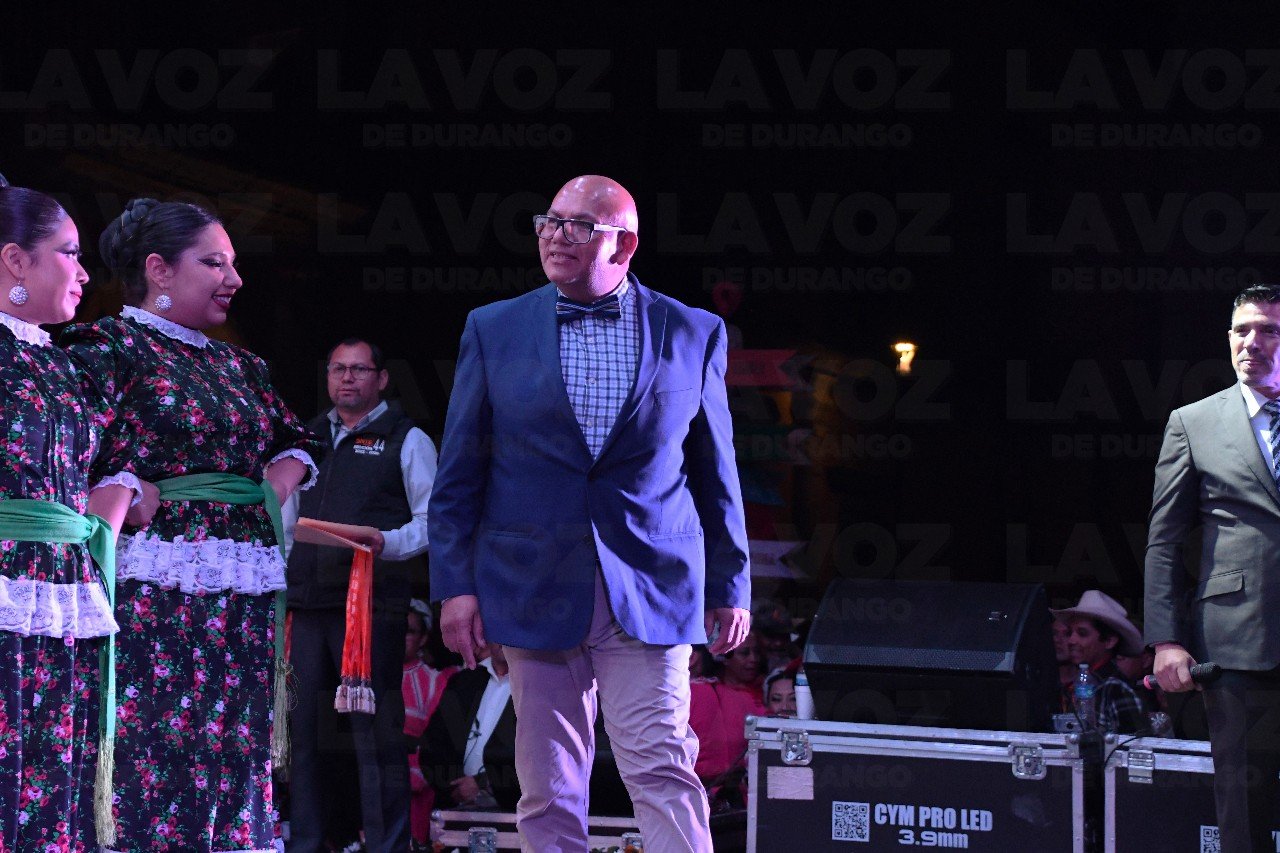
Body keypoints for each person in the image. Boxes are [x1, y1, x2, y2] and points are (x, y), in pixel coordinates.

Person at [428, 174, 751, 852]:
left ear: (623, 244)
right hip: (531, 581)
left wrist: (731, 584)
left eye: (577, 225)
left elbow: (716, 472)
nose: (555, 235)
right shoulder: (493, 327)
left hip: (653, 581)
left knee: (662, 766)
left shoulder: (694, 330)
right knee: (547, 786)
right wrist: (454, 585)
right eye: (549, 220)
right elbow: (458, 474)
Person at [63, 198, 322, 851]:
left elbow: (296, 441)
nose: (234, 278)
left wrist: (267, 492)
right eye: (214, 263)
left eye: (232, 263)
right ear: (159, 270)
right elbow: (61, 454)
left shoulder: (241, 366)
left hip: (240, 591)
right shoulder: (108, 347)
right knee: (155, 743)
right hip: (156, 592)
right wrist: (124, 487)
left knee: (233, 748)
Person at [281, 336, 438, 853]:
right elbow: (285, 523)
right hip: (307, 605)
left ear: (382, 379)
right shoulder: (305, 438)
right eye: (338, 369)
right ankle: (308, 843)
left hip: (371, 608)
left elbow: (434, 521)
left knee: (375, 737)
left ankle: (387, 846)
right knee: (304, 734)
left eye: (359, 369)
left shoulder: (406, 438)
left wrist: (386, 543)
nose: (347, 378)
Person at [1146, 283, 1280, 852]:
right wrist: (1166, 639)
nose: (1252, 341)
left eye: (1269, 330)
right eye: (1242, 330)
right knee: (1243, 809)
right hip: (1234, 640)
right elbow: (1164, 541)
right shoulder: (1194, 422)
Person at [0, 177, 113, 850]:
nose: (84, 270)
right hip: (7, 575)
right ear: (17, 260)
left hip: (65, 587)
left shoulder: (65, 365)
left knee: (56, 769)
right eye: (69, 252)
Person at [417, 642, 518, 812]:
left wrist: (484, 784)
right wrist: (455, 789)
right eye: (502, 631)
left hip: (515, 813)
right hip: (456, 810)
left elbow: (541, 757)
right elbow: (433, 744)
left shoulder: (538, 690)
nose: (506, 638)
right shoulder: (464, 681)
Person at [1050, 591, 1149, 734]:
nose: (1071, 640)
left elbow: (1136, 743)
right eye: (1070, 633)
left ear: (1109, 641)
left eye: (1082, 633)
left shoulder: (1116, 689)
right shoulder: (1081, 684)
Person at [403, 601, 456, 848]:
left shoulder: (436, 681)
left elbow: (435, 742)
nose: (400, 637)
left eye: (409, 631)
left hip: (416, 790)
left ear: (423, 638)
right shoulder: (365, 677)